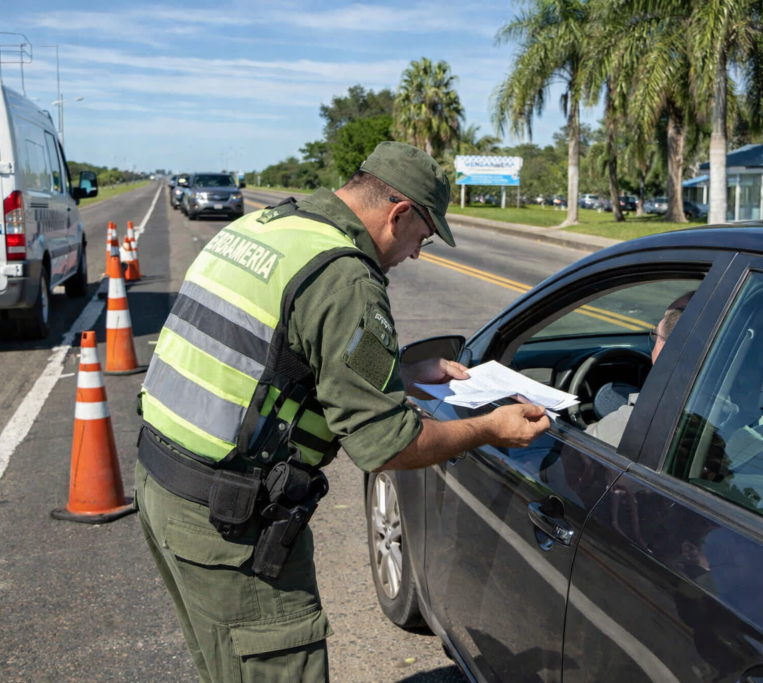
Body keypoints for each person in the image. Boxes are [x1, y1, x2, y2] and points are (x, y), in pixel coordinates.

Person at [134, 141, 551, 683]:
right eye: (422, 237)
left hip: (162, 487)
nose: (417, 254)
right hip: (230, 525)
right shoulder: (347, 277)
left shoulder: (267, 227)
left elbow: (276, 353)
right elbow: (387, 445)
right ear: (399, 214)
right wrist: (490, 428)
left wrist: (398, 369)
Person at [585, 292, 694, 447]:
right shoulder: (728, 414)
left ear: (667, 350)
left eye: (655, 334)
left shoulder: (638, 422)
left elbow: (571, 457)